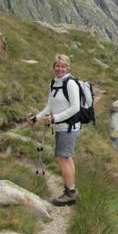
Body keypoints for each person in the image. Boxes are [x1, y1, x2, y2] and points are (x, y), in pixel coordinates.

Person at [30, 54, 81, 206]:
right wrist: (36, 118)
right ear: (54, 67)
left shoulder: (71, 84)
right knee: (67, 158)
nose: (60, 69)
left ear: (68, 67)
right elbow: (49, 106)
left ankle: (70, 194)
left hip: (68, 127)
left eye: (63, 66)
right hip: (61, 126)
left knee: (62, 158)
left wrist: (54, 119)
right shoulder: (54, 82)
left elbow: (75, 107)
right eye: (57, 66)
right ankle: (72, 189)